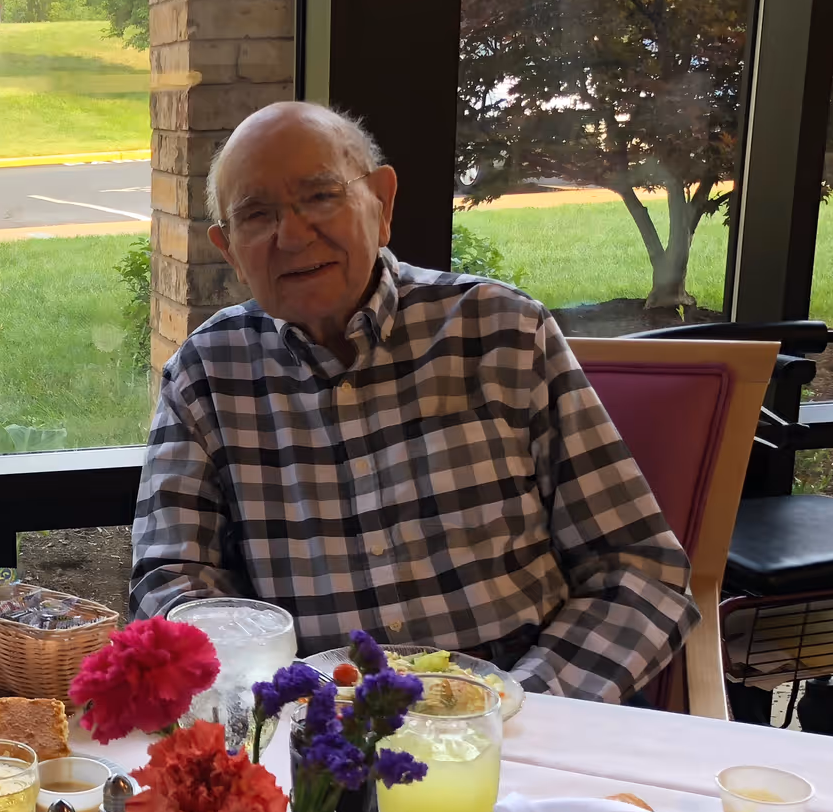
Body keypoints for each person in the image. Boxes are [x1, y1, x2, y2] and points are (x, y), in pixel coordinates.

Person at [131, 101, 696, 704]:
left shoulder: (502, 333)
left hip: (527, 724)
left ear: (382, 203)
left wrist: (516, 710)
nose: (291, 236)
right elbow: (171, 584)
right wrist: (273, 702)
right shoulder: (206, 375)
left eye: (321, 196)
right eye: (256, 214)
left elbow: (638, 571)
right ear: (230, 251)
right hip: (318, 732)